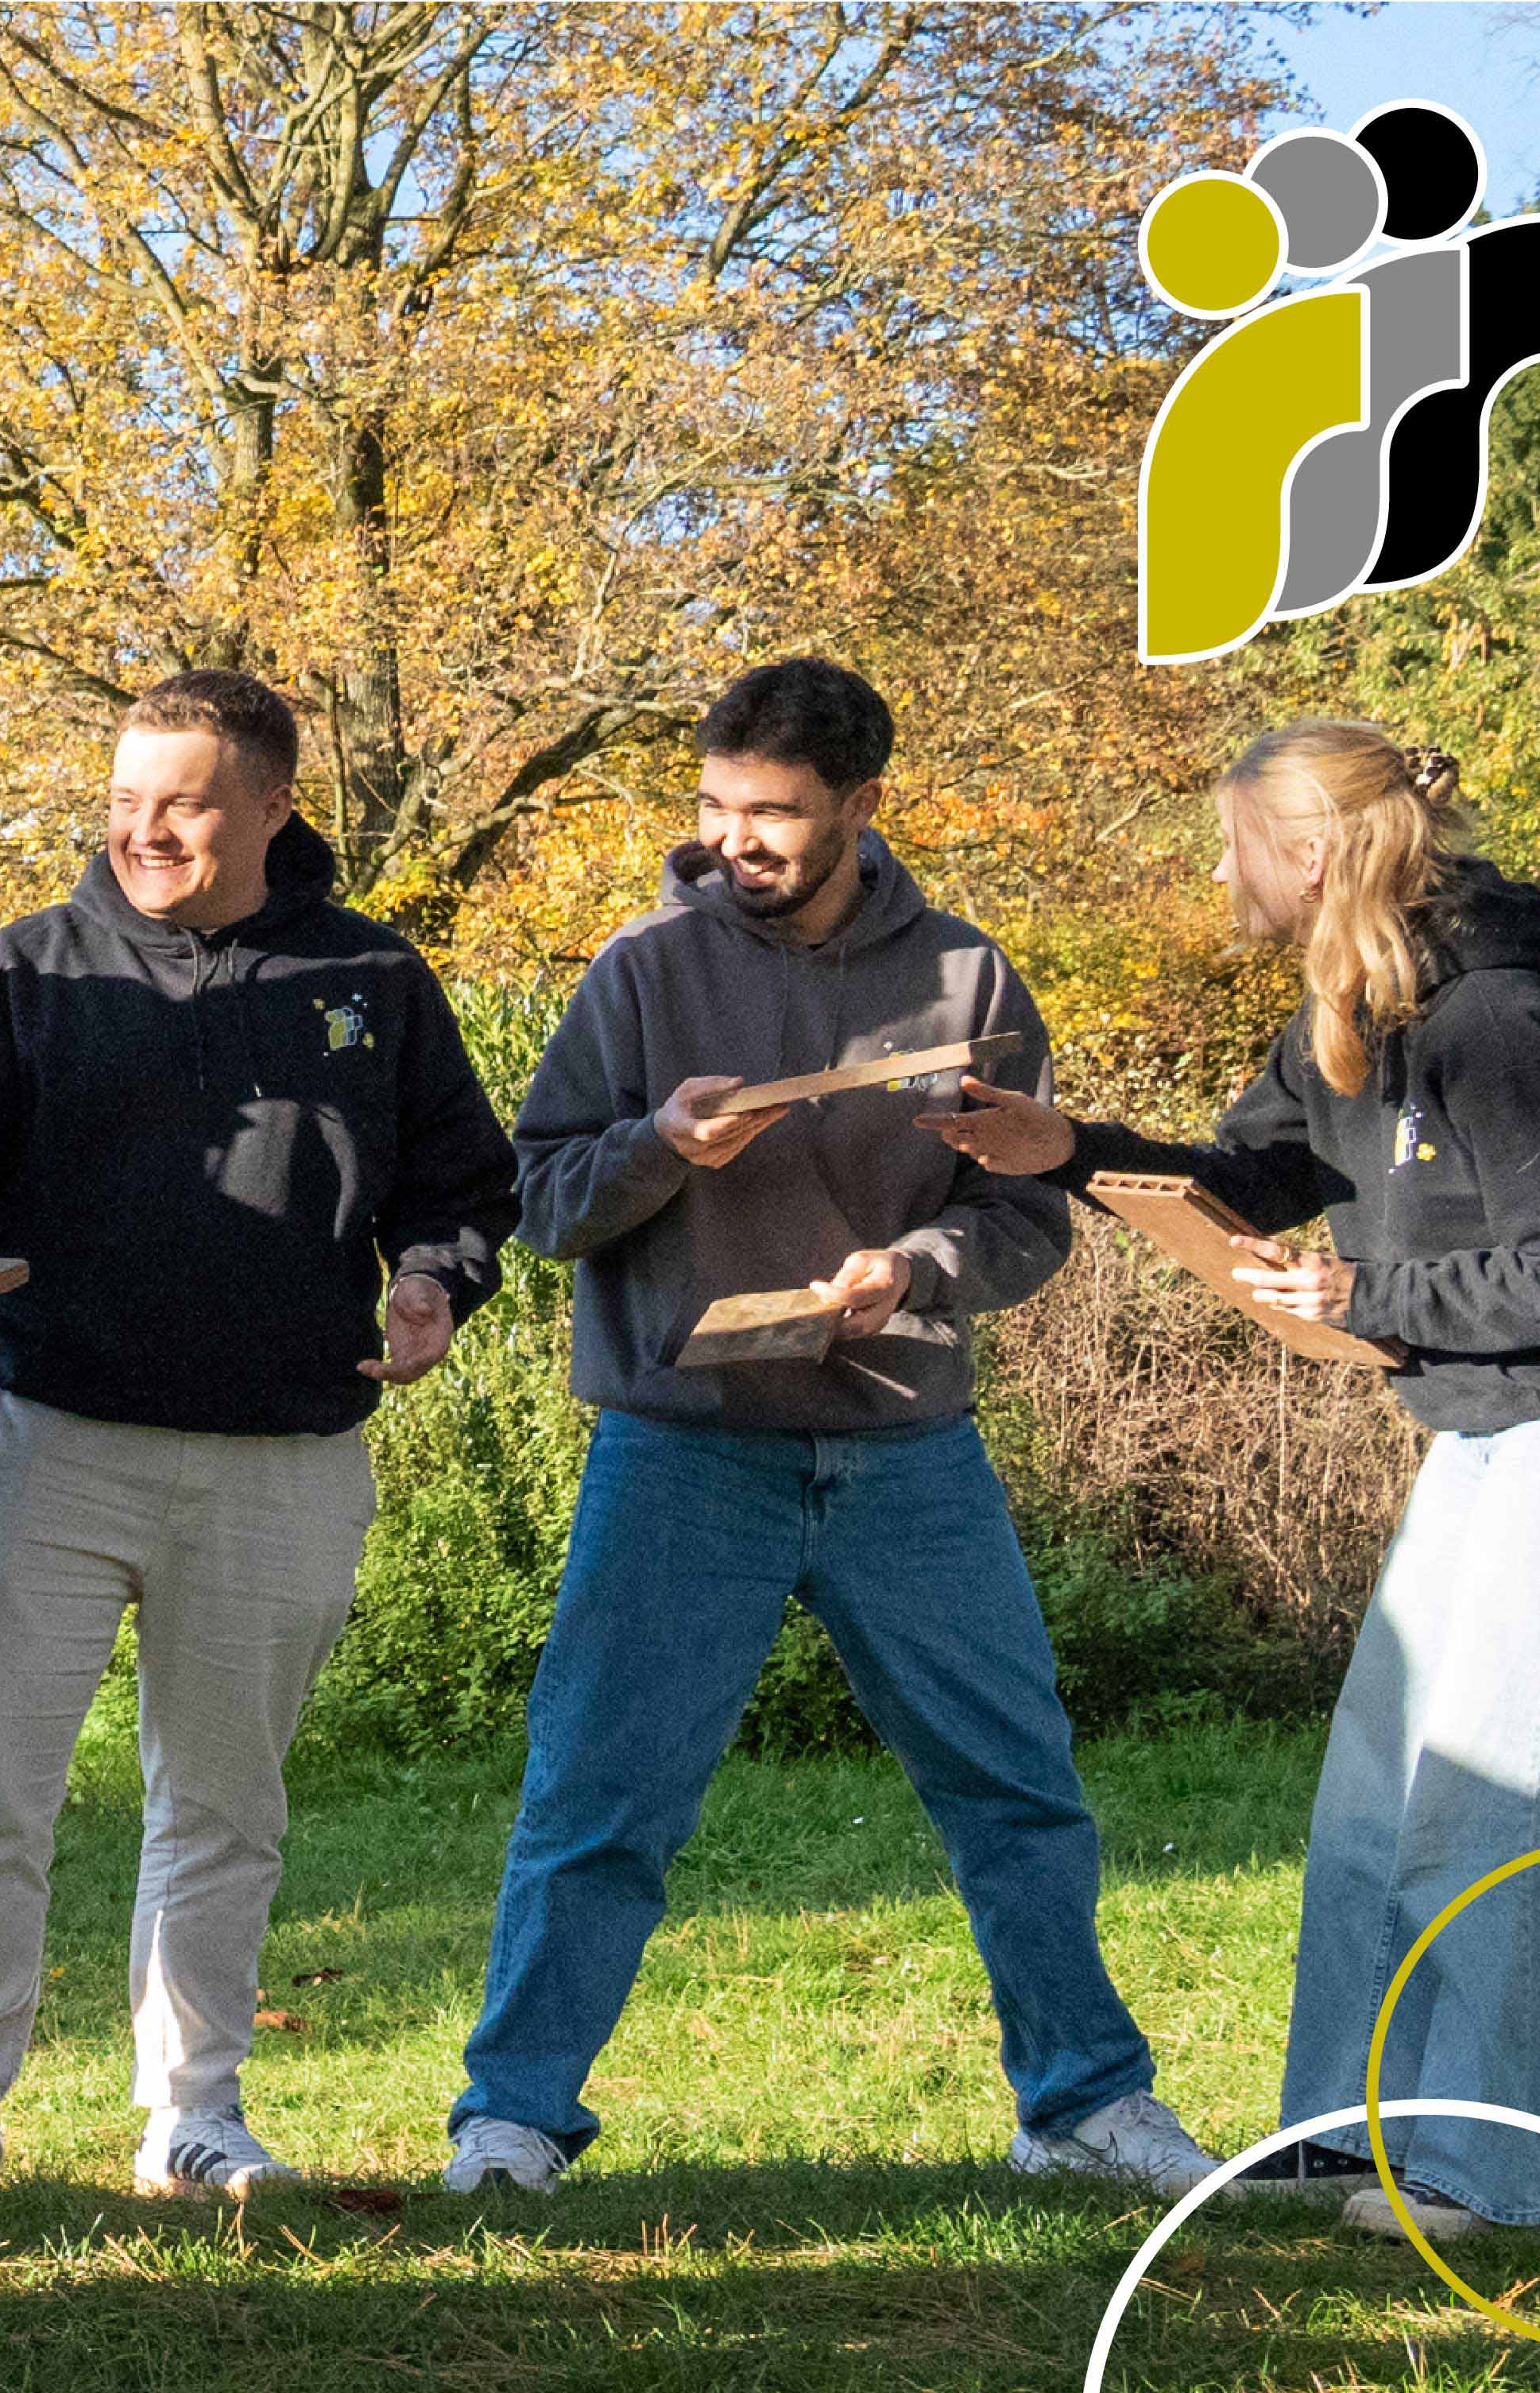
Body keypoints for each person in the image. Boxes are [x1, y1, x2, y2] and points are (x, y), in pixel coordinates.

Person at [439, 656, 1214, 2200]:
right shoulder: (645, 973)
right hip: (684, 1449)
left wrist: (918, 1271)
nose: (737, 838)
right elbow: (539, 1204)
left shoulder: (970, 983)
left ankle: (1078, 2103)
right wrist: (661, 1146)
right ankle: (513, 2116)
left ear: (863, 806)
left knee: (1017, 1787)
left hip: (906, 1452)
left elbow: (1028, 1214)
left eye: (776, 813)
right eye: (720, 805)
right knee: (602, 1794)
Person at [924, 724, 1540, 2242]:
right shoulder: (1347, 1016)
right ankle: (1350, 2134)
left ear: (1306, 855)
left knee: (1509, 1809)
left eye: (1233, 841)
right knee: (1379, 1793)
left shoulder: (1501, 1026)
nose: (1220, 871)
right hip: (1478, 1427)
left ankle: (1505, 2181)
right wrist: (1064, 1149)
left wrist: (1369, 1294)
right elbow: (1242, 1184)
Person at [0, 671, 519, 2204]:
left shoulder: (374, 978)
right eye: (127, 799)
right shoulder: (29, 975)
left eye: (184, 803)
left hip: (283, 1452)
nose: (144, 831)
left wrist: (430, 1281)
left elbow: (463, 1181)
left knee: (220, 1807)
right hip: (49, 1437)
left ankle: (192, 2115)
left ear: (271, 806)